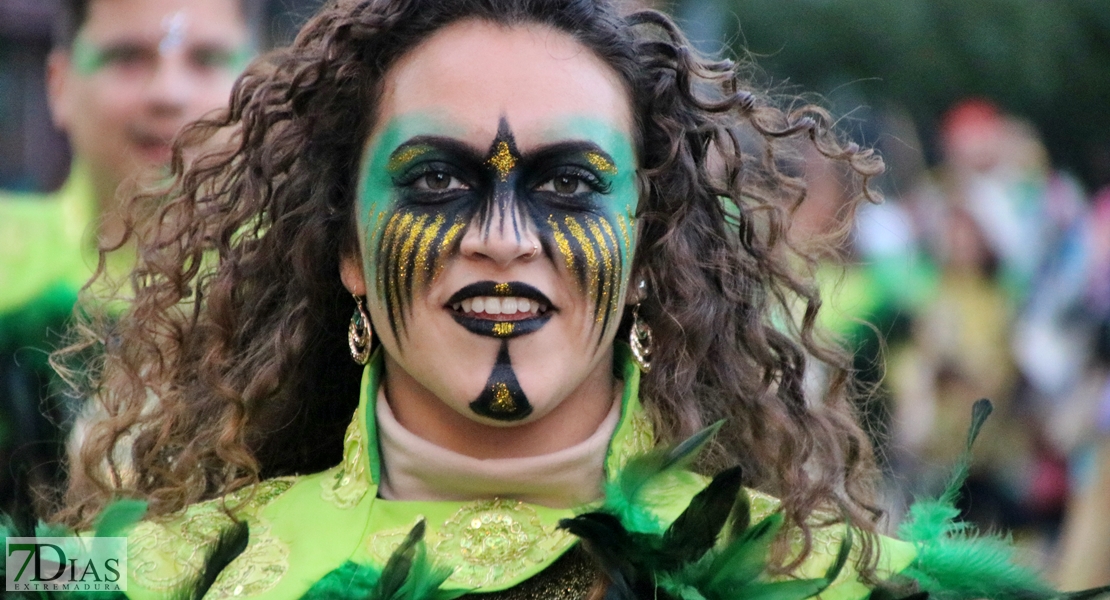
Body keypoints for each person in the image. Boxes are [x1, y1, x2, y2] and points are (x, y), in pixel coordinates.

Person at [38, 1, 1101, 599]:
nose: (504, 243)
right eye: (438, 183)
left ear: (645, 249)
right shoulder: (158, 574)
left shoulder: (837, 585)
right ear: (349, 254)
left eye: (569, 186)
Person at [0, 0, 255, 521]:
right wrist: (95, 572)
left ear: (259, 89)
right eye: (127, 57)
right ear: (59, 85)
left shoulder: (309, 276)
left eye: (206, 58)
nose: (168, 93)